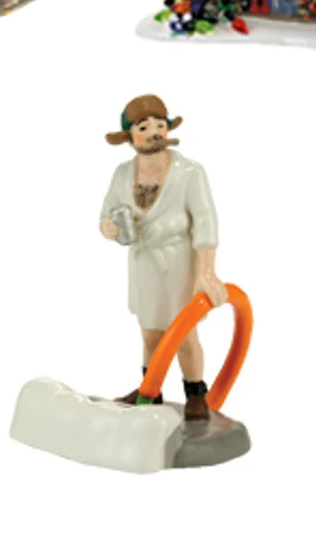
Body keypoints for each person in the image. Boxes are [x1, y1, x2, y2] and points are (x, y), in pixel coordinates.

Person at [100, 95, 227, 422]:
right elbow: (105, 215)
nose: (155, 132)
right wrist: (109, 227)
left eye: (160, 125)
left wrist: (207, 271)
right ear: (130, 136)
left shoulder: (189, 173)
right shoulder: (122, 174)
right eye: (144, 127)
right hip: (144, 264)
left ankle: (195, 394)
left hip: (179, 263)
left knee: (184, 333)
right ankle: (150, 391)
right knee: (150, 333)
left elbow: (206, 222)